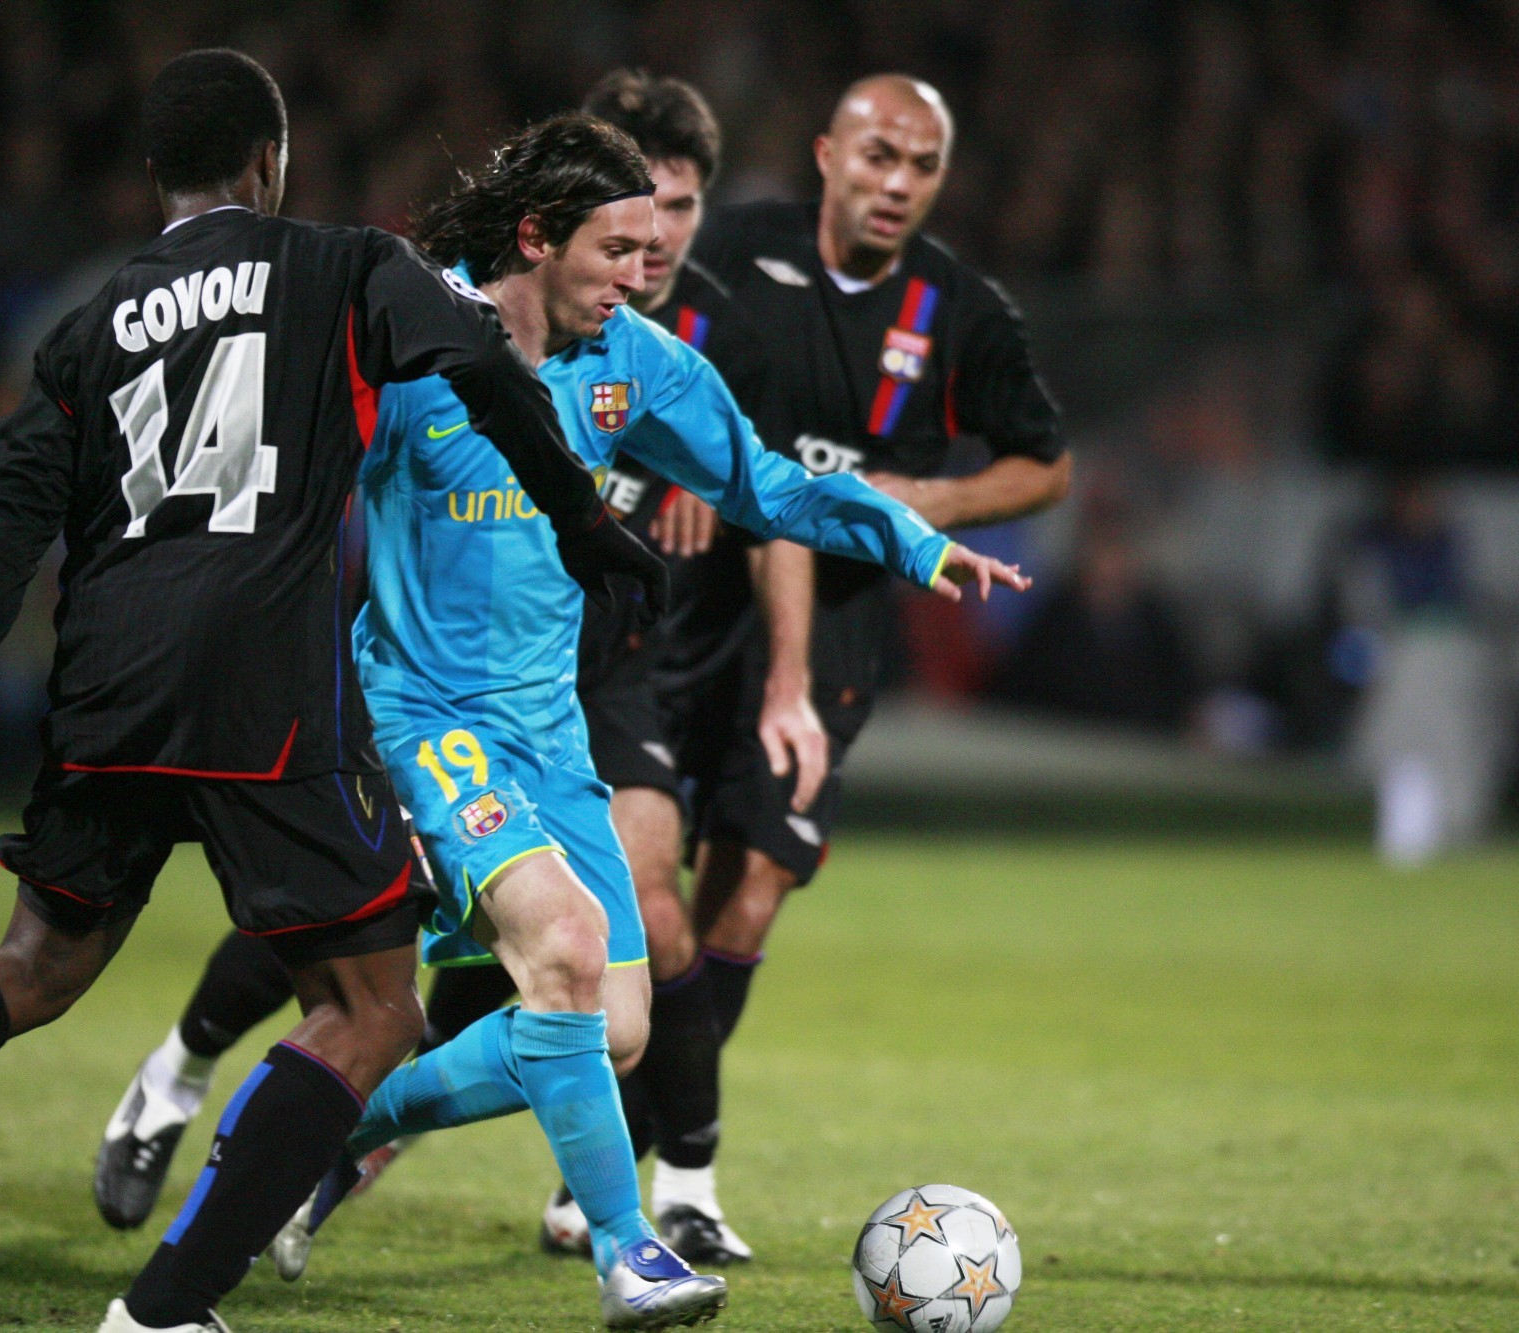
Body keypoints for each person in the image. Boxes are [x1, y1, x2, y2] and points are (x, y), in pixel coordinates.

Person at [0, 49, 661, 1333]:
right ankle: (166, 1307)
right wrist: (580, 518)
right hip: (261, 687)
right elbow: (478, 356)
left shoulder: (89, 325)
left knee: (34, 962)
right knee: (370, 1008)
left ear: (158, 178)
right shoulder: (341, 263)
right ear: (270, 161)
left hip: (108, 685)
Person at [246, 112, 1025, 1330]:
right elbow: (290, 494)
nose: (640, 269)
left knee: (607, 1027)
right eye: (615, 247)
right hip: (423, 715)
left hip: (549, 733)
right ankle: (629, 1251)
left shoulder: (636, 364)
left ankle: (322, 1136)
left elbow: (763, 482)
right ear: (536, 237)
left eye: (654, 242)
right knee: (559, 950)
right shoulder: (415, 340)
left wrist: (916, 541)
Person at [89, 70, 807, 1271]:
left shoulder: (690, 332)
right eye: (634, 211)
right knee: (371, 947)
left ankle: (354, 1148)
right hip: (428, 674)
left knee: (590, 974)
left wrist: (767, 628)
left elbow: (757, 479)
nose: (657, 238)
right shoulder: (459, 317)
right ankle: (184, 1072)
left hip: (588, 671)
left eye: (680, 209)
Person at [653, 73, 1073, 1238]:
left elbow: (1045, 466)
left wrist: (928, 495)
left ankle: (666, 1175)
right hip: (687, 594)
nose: (896, 184)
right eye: (878, 155)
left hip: (833, 619)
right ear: (826, 151)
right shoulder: (732, 250)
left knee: (749, 889)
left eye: (921, 167)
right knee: (639, 892)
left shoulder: (961, 310)